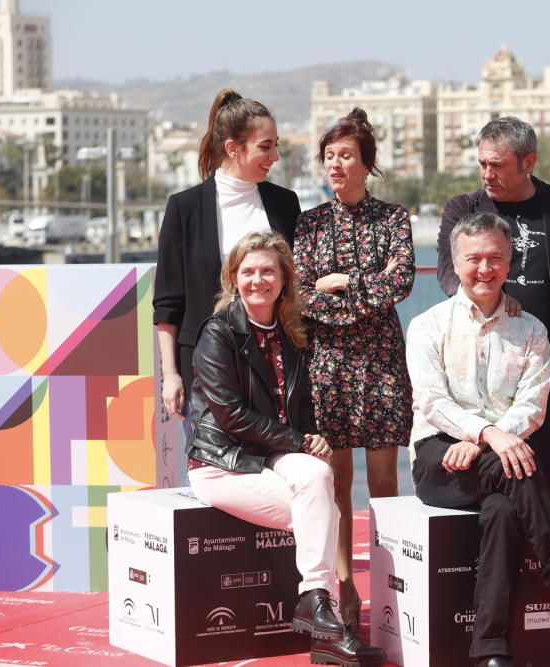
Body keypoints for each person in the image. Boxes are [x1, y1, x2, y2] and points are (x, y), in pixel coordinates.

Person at [408, 212, 550, 667]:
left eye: (495, 258)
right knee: (519, 468)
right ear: (454, 263)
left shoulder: (530, 330)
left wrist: (489, 440)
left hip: (495, 461)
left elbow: (533, 406)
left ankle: (491, 650)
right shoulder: (428, 326)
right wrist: (484, 431)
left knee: (503, 509)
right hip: (439, 458)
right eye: (474, 259)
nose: (485, 269)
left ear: (510, 264)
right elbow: (432, 402)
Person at [186, 231, 384, 666]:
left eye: (268, 271)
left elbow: (300, 404)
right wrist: (298, 441)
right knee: (324, 513)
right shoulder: (218, 333)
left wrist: (313, 436)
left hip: (272, 457)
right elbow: (231, 416)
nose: (258, 280)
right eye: (248, 271)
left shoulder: (292, 331)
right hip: (223, 463)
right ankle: (328, 628)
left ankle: (316, 606)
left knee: (318, 475)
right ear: (233, 278)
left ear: (284, 278)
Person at [293, 108, 414, 640]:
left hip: (381, 359)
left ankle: (389, 578)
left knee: (385, 480)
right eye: (330, 156)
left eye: (346, 155)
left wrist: (339, 288)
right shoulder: (309, 222)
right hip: (328, 364)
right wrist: (342, 289)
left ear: (367, 163)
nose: (336, 164)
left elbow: (403, 282)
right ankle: (344, 584)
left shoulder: (393, 218)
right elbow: (297, 295)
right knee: (335, 479)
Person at [436, 116, 550, 502]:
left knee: (542, 474)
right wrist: (490, 299)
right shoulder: (462, 207)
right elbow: (447, 271)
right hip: (480, 366)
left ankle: (540, 559)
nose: (486, 173)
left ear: (528, 162)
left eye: (497, 165)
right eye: (482, 163)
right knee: (482, 476)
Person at [154, 89, 300, 418]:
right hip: (205, 366)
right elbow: (168, 302)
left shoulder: (285, 203)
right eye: (265, 146)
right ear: (233, 148)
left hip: (275, 364)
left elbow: (294, 282)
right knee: (212, 467)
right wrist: (171, 375)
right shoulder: (184, 208)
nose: (274, 156)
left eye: (276, 145)